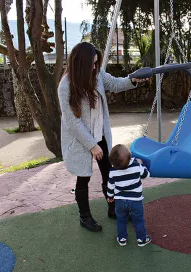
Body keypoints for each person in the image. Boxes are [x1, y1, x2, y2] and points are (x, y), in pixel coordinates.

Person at [58, 42, 147, 232]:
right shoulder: (65, 86)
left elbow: (115, 83)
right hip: (80, 137)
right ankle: (85, 217)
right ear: (81, 64)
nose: (94, 67)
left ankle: (113, 208)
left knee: (109, 173)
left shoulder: (97, 75)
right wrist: (92, 145)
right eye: (91, 63)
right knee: (83, 177)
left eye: (96, 63)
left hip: (100, 133)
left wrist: (133, 80)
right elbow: (72, 122)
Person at [107, 144, 152, 247]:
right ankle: (141, 239)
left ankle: (122, 239)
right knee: (138, 221)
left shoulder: (113, 171)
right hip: (135, 201)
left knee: (121, 220)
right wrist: (143, 166)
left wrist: (110, 197)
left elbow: (110, 186)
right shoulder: (136, 166)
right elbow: (146, 174)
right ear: (130, 157)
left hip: (120, 202)